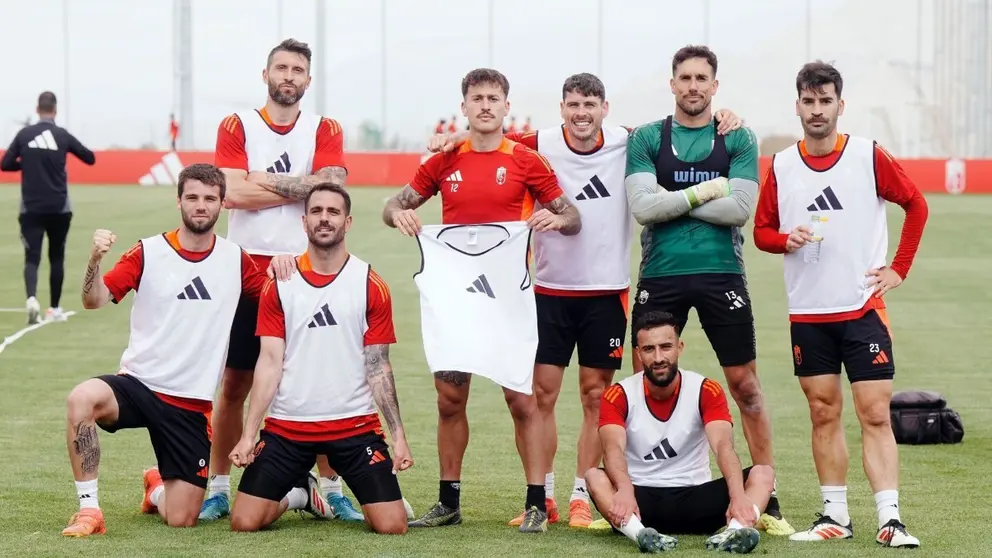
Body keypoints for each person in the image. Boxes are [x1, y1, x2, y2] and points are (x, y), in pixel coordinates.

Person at [426, 73, 741, 529]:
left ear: (605, 109)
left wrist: (723, 118)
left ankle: (580, 493)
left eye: (590, 105)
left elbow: (679, 128)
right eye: (573, 104)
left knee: (596, 396)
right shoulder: (539, 143)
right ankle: (545, 496)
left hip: (605, 291)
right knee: (541, 396)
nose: (581, 113)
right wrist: (454, 136)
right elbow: (488, 136)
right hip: (549, 290)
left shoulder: (627, 141)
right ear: (561, 108)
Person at [383, 67, 581, 533]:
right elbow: (394, 204)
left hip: (508, 299)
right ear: (465, 106)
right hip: (456, 301)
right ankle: (448, 501)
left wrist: (559, 221)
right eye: (477, 98)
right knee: (450, 399)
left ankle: (536, 502)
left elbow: (570, 214)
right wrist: (400, 217)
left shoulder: (525, 161)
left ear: (506, 106)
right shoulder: (444, 160)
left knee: (521, 398)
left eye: (494, 97)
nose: (486, 105)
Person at [753, 61, 927, 548]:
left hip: (862, 310)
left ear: (839, 106)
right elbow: (762, 232)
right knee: (822, 413)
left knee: (874, 413)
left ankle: (890, 520)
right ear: (798, 107)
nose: (816, 110)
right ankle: (835, 515)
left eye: (824, 101)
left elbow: (916, 204)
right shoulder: (783, 166)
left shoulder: (869, 156)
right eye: (808, 102)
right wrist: (786, 240)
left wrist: (899, 268)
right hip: (809, 313)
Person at [624, 44, 793, 535]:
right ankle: (634, 493)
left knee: (746, 387)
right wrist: (705, 191)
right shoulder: (650, 138)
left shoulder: (737, 137)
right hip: (660, 275)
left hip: (723, 274)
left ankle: (769, 494)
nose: (693, 86)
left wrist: (669, 199)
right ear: (672, 84)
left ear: (714, 86)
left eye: (702, 78)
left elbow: (739, 210)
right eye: (685, 78)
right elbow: (643, 209)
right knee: (642, 386)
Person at [59, 164, 269, 537]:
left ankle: (155, 487)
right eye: (192, 197)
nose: (200, 206)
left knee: (181, 517)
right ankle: (89, 510)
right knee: (81, 399)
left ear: (223, 204)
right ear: (179, 201)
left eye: (209, 198)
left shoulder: (237, 260)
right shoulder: (148, 252)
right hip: (138, 384)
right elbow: (94, 300)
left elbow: (276, 298)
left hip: (189, 404)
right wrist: (94, 260)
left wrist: (287, 269)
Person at [202, 37, 361, 522]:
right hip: (247, 270)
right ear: (266, 74)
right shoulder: (238, 124)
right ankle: (219, 484)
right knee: (234, 383)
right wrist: (302, 184)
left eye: (298, 70)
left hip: (310, 271)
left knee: (324, 381)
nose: (288, 76)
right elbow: (228, 194)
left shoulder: (324, 127)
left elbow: (332, 189)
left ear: (308, 80)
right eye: (281, 68)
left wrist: (259, 178)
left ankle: (329, 487)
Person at [228, 183, 413, 534]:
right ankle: (301, 494)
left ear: (348, 221)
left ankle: (362, 493)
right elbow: (269, 362)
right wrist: (249, 434)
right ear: (304, 222)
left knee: (392, 525)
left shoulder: (370, 283)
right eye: (316, 211)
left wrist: (398, 435)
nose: (324, 219)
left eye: (333, 212)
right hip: (288, 428)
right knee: (245, 521)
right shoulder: (279, 283)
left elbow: (379, 367)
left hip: (355, 427)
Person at [586, 310, 770, 554]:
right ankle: (640, 535)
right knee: (593, 476)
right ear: (638, 353)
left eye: (666, 347)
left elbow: (723, 447)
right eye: (649, 349)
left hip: (696, 497)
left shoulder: (706, 389)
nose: (659, 357)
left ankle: (733, 532)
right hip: (640, 501)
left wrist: (737, 496)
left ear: (679, 347)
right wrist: (625, 490)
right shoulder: (619, 394)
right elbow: (612, 449)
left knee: (764, 473)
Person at [1, 91, 95, 325]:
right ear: (55, 110)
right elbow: (89, 158)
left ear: (37, 109)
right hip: (59, 208)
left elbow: (5, 164)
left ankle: (32, 299)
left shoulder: (24, 135)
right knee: (56, 257)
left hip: (30, 207)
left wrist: (28, 163)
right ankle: (54, 308)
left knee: (31, 257)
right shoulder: (62, 136)